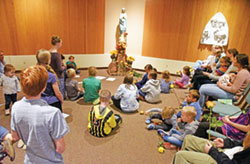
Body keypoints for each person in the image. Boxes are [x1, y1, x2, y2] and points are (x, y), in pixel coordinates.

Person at [11, 65, 69, 164]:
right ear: (43, 88)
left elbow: (15, 137)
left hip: (30, 160)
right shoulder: (53, 113)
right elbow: (60, 148)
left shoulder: (16, 107)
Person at [173, 132, 250, 164]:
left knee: (180, 155)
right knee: (188, 139)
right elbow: (241, 143)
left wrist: (212, 151)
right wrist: (225, 143)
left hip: (223, 160)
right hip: (227, 152)